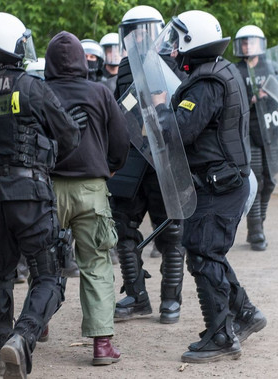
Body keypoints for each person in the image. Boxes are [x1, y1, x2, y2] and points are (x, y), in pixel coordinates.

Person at [0, 12, 80, 378]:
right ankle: (22, 338)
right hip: (29, 193)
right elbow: (70, 136)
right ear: (11, 44)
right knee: (49, 274)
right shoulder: (30, 86)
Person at [154, 10, 267, 362]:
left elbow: (182, 131)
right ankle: (244, 313)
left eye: (178, 40)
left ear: (193, 42)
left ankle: (221, 336)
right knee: (208, 250)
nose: (173, 48)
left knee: (203, 253)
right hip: (223, 181)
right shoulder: (221, 71)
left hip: (221, 185)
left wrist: (159, 111)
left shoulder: (206, 84)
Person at [44, 31, 129, 366]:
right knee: (96, 264)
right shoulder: (99, 92)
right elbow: (121, 140)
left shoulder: (40, 91)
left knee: (44, 261)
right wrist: (108, 169)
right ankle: (102, 345)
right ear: (83, 60)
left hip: (47, 189)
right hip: (91, 190)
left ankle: (40, 323)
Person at [109, 4, 187, 325]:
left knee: (171, 233)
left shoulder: (174, 67)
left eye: (146, 30)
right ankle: (136, 295)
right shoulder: (125, 68)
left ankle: (171, 300)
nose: (140, 37)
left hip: (163, 161)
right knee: (122, 230)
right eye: (134, 31)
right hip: (131, 162)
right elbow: (120, 115)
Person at [233, 25, 275, 251]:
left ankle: (258, 223)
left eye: (252, 42)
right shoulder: (235, 70)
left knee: (270, 181)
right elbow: (233, 102)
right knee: (256, 182)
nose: (248, 46)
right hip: (247, 133)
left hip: (270, 132)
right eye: (245, 42)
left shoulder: (271, 68)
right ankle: (257, 232)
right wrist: (253, 98)